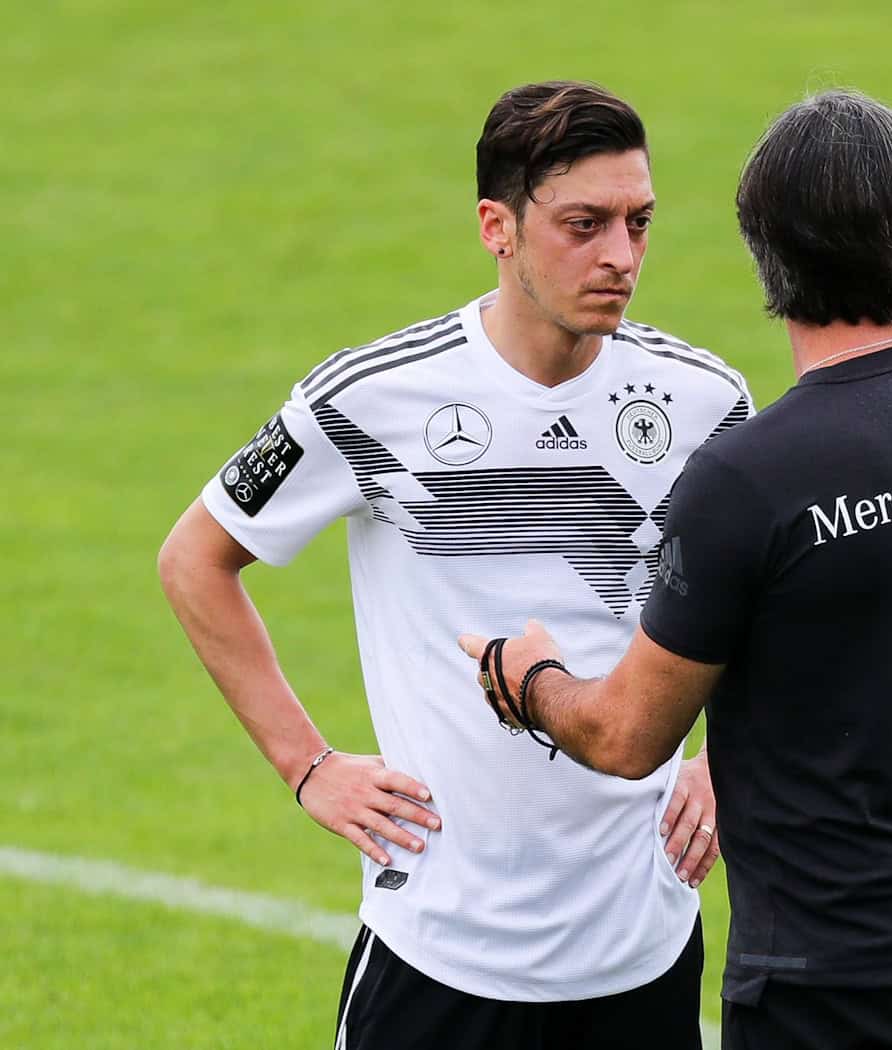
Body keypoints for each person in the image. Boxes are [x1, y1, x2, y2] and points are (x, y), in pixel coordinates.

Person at [158, 81, 752, 1050]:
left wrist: (723, 761)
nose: (620, 256)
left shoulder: (702, 404)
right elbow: (195, 558)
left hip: (639, 951)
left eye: (639, 223)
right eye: (583, 224)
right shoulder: (374, 398)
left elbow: (773, 604)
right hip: (435, 957)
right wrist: (306, 766)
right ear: (496, 227)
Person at [462, 89, 892, 1050]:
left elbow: (625, 736)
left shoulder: (748, 478)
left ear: (764, 252)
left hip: (830, 981)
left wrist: (527, 679)